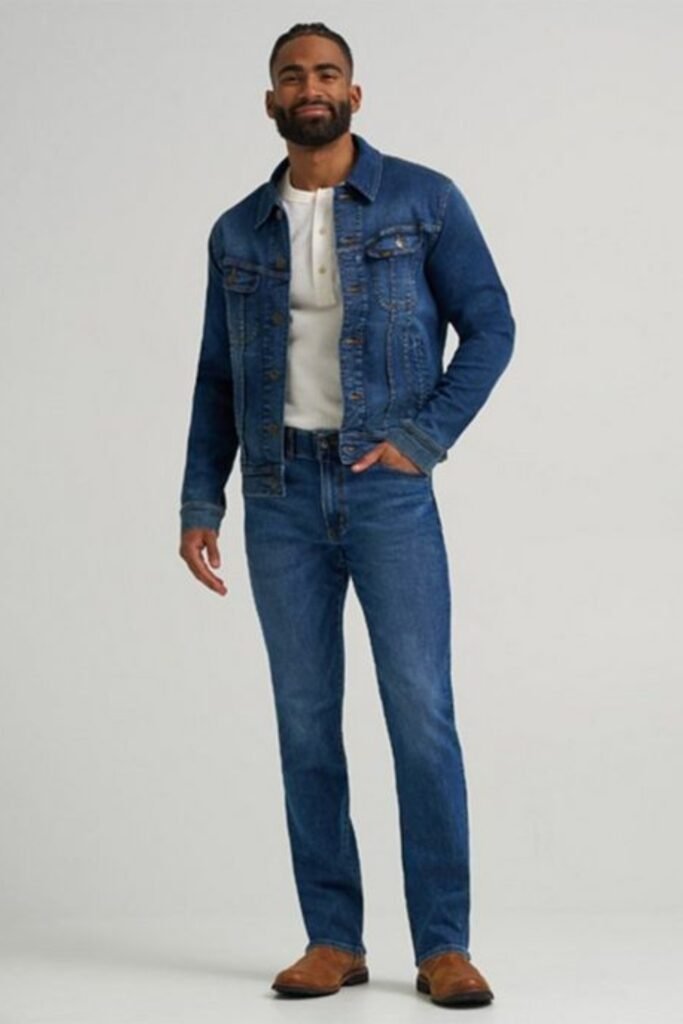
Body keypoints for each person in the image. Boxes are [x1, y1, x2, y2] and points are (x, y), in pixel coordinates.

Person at [178, 21, 514, 1008]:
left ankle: (442, 945)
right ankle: (332, 938)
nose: (310, 87)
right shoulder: (237, 231)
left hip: (386, 493)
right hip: (278, 495)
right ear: (271, 101)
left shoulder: (423, 200)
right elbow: (215, 376)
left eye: (326, 73)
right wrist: (201, 498)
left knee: (421, 715)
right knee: (304, 723)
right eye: (292, 76)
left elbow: (490, 325)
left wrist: (422, 437)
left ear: (354, 94)